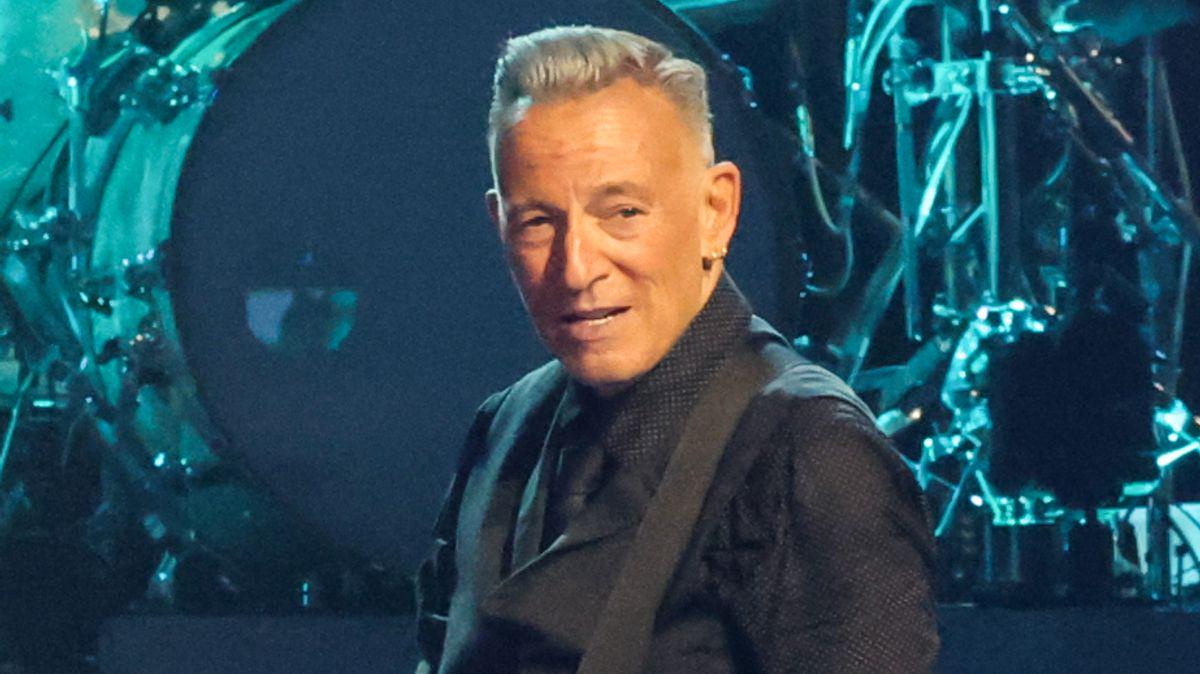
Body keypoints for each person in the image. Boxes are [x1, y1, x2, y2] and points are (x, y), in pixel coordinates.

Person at [414, 25, 938, 673]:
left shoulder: (810, 453)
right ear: (500, 225)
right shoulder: (504, 427)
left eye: (623, 213)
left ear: (716, 210)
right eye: (538, 222)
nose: (576, 269)